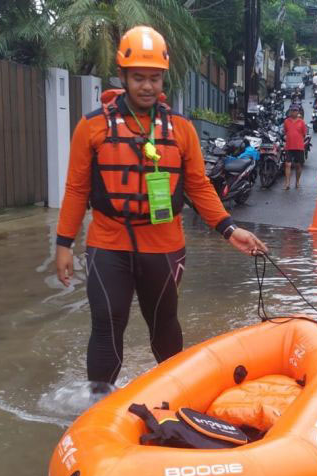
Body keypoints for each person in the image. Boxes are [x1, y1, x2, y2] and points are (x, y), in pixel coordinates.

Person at [55, 26, 267, 392]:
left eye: (154, 78)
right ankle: (97, 406)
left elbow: (199, 186)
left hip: (164, 248)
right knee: (106, 322)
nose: (147, 86)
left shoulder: (181, 130)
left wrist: (230, 230)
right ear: (122, 76)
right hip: (108, 243)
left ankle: (176, 394)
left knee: (164, 324)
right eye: (138, 77)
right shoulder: (92, 127)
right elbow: (76, 188)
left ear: (163, 78)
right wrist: (63, 244)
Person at [282, 105, 307, 190]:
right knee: (287, 164)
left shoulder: (301, 122)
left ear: (298, 112)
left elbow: (304, 134)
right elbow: (285, 132)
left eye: (295, 111)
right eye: (292, 110)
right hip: (289, 146)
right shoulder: (286, 121)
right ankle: (287, 183)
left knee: (298, 166)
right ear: (290, 112)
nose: (294, 112)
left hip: (299, 146)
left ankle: (297, 182)